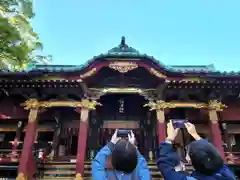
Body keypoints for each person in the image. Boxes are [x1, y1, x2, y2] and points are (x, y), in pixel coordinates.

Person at [157, 121, 236, 180]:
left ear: (190, 160)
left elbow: (165, 167)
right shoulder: (228, 176)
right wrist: (196, 135)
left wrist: (169, 138)